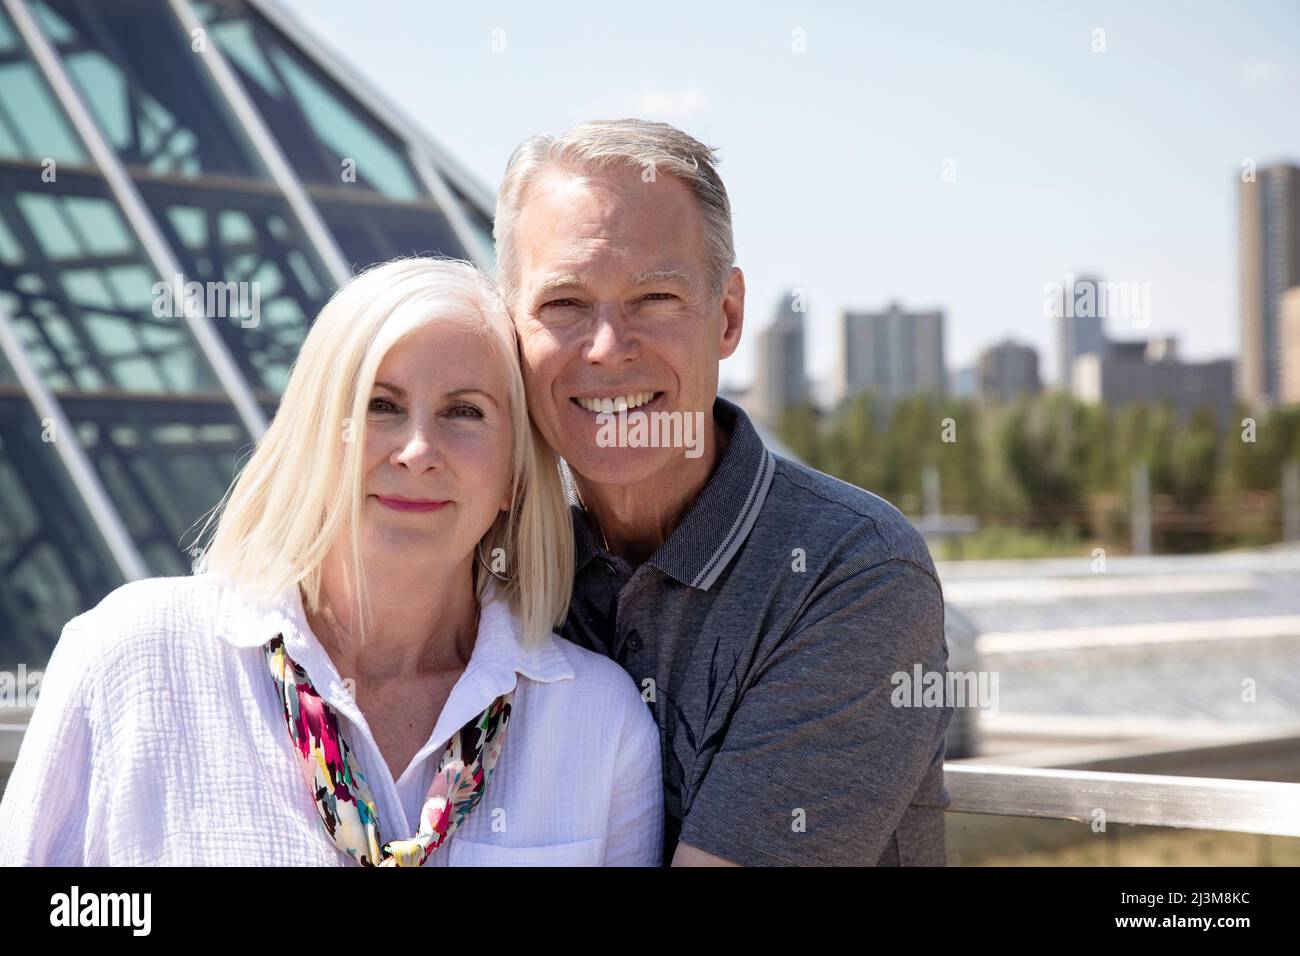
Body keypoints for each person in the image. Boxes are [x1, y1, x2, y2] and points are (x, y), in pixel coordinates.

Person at [0, 258, 662, 866]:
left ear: (516, 475)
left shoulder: (598, 724)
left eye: (464, 412)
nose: (417, 450)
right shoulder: (132, 657)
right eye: (381, 405)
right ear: (316, 437)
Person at [494, 119, 954, 866]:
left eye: (654, 297)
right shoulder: (488, 555)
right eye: (564, 304)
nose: (608, 347)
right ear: (511, 330)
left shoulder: (852, 572)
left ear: (729, 316)